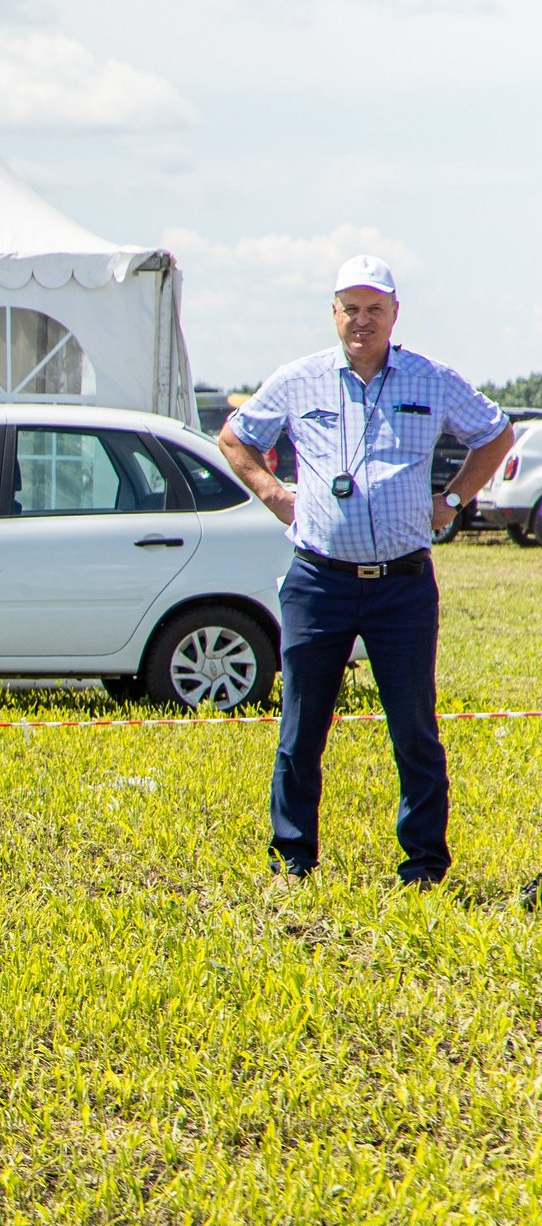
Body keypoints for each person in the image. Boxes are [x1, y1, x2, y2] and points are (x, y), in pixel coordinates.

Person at [218, 256, 512, 887]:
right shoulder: (298, 380)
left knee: (414, 729)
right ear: (333, 313)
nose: (362, 320)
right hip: (318, 581)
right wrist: (274, 494)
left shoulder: (430, 379)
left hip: (403, 584)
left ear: (394, 315)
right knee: (302, 725)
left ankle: (424, 867)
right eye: (350, 307)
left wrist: (453, 500)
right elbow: (236, 438)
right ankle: (292, 859)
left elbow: (496, 434)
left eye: (375, 308)